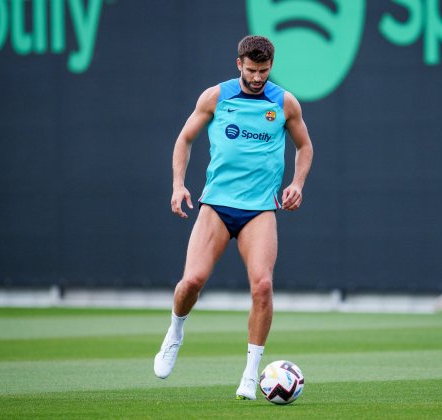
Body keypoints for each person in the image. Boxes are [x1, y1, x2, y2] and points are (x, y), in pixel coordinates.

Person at [153, 35, 313, 400]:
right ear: (238, 63)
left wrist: (297, 184)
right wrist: (178, 185)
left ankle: (250, 375)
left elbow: (305, 146)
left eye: (264, 70)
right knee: (191, 282)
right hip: (217, 206)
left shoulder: (284, 103)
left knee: (263, 286)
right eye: (252, 70)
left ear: (271, 66)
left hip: (260, 209)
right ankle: (175, 332)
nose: (258, 77)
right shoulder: (216, 97)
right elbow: (184, 139)